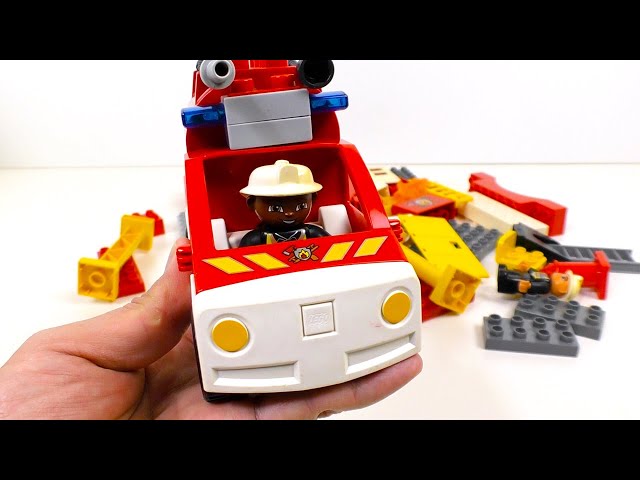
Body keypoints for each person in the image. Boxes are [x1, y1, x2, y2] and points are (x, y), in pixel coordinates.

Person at [0, 238, 422, 420]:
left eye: (297, 202)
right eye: (275, 204)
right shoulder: (250, 240)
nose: (288, 211)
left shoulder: (320, 229)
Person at [239, 160, 331, 247]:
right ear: (252, 203)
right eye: (275, 208)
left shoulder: (313, 233)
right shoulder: (254, 239)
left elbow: (333, 247)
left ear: (313, 200)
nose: (289, 213)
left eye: (301, 206)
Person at [497, 264, 583, 300]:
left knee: (511, 280)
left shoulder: (545, 286)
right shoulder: (546, 277)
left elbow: (536, 287)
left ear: (561, 290)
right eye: (563, 275)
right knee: (514, 274)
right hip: (523, 277)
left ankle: (503, 280)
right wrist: (528, 268)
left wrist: (529, 286)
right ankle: (505, 272)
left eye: (563, 278)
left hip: (522, 283)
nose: (560, 274)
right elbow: (535, 273)